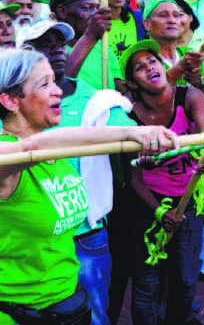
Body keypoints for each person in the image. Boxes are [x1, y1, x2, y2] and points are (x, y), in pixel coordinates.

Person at [0, 48, 176, 325]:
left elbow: (51, 140)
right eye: (43, 84)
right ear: (11, 100)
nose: (57, 91)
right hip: (17, 313)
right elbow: (33, 146)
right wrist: (133, 132)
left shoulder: (51, 146)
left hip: (66, 302)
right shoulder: (11, 156)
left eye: (53, 81)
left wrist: (135, 132)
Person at [122, 40, 204, 325]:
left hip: (189, 201)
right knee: (147, 284)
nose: (150, 67)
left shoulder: (191, 96)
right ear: (132, 83)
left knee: (185, 280)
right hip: (145, 206)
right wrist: (159, 212)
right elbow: (132, 177)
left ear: (163, 66)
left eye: (152, 61)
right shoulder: (127, 117)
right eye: (140, 67)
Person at [52, 0, 124, 92]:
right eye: (87, 8)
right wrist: (91, 35)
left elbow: (120, 87)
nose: (95, 14)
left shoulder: (102, 46)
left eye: (97, 8)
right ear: (62, 12)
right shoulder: (51, 51)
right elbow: (61, 85)